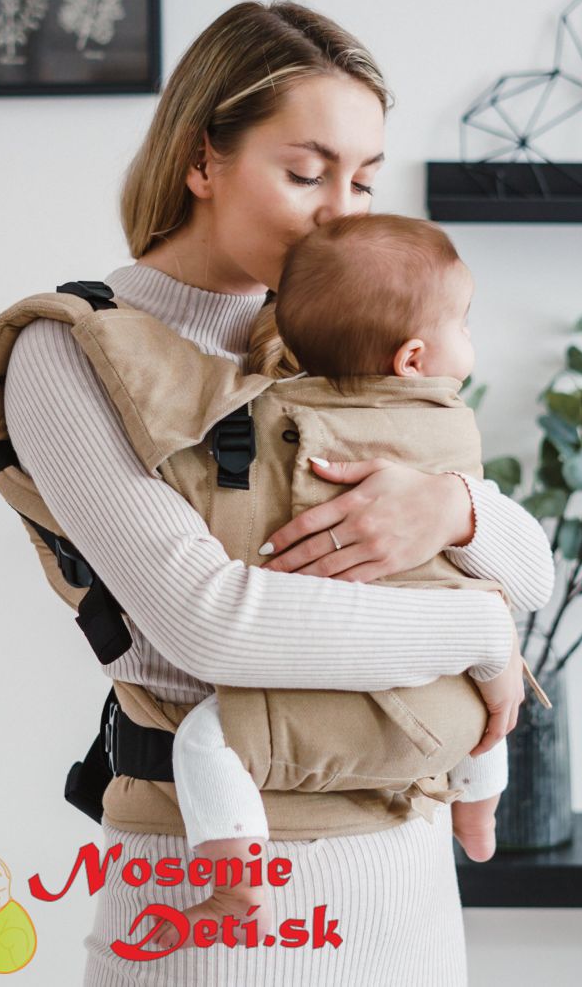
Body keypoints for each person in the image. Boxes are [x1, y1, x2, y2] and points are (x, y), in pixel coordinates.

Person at [3, 0, 555, 986]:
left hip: (409, 880)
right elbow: (212, 625)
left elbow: (532, 565)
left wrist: (455, 510)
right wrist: (478, 630)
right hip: (209, 911)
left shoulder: (346, 331)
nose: (343, 211)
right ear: (202, 158)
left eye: (365, 179)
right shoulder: (70, 350)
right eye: (306, 173)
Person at [165, 212, 527, 948]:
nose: (471, 340)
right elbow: (519, 589)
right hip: (454, 706)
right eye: (464, 320)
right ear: (414, 358)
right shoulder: (453, 430)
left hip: (325, 703)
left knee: (203, 740)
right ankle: (478, 806)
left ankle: (235, 878)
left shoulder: (265, 416)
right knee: (497, 703)